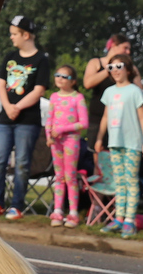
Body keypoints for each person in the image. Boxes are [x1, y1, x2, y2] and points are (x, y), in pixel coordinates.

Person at [0, 15, 51, 220]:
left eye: (14, 34)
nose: (12, 38)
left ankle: (17, 205)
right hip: (6, 119)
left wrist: (18, 106)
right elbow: (1, 84)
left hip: (27, 120)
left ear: (26, 35)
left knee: (22, 163)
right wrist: (7, 106)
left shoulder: (42, 59)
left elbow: (39, 89)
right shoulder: (9, 57)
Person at [92, 55, 143, 238]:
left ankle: (130, 221)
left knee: (131, 181)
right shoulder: (109, 92)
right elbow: (105, 117)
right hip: (115, 143)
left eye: (119, 65)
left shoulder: (134, 91)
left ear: (128, 69)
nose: (115, 70)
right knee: (119, 182)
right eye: (111, 66)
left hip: (132, 144)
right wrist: (100, 138)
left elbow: (142, 117)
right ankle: (118, 218)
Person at [45, 65, 90, 228]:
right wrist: (49, 136)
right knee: (59, 177)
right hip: (55, 142)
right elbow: (49, 119)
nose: (60, 79)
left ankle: (72, 212)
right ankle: (58, 210)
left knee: (70, 177)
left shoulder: (78, 98)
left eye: (64, 77)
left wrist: (62, 129)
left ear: (73, 81)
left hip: (71, 141)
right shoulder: (54, 97)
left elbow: (84, 123)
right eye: (57, 75)